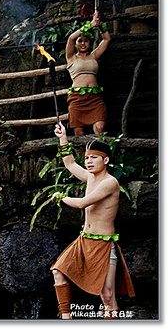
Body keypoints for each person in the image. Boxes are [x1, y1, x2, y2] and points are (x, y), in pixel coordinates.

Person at [50, 123, 135, 319]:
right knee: (58, 271)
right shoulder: (90, 177)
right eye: (87, 158)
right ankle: (66, 318)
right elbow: (70, 163)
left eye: (93, 158)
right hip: (84, 240)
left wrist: (61, 197)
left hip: (103, 244)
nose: (88, 162)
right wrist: (63, 138)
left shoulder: (110, 182)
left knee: (107, 296)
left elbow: (81, 203)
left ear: (105, 159)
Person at [65, 11, 111, 136]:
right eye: (80, 41)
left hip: (94, 98)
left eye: (86, 41)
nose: (83, 43)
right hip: (77, 99)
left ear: (90, 43)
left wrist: (99, 25)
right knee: (79, 132)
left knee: (100, 127)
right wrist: (90, 24)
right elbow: (70, 38)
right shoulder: (71, 57)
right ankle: (82, 155)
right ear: (75, 44)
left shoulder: (94, 56)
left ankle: (99, 153)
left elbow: (107, 39)